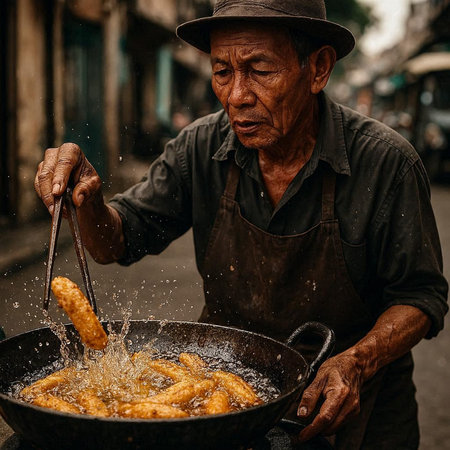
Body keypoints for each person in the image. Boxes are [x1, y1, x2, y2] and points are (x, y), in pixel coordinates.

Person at [35, 0, 448, 448]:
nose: (236, 96)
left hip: (354, 412)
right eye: (222, 72)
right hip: (228, 404)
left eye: (259, 70)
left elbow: (421, 298)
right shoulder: (199, 147)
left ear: (318, 69)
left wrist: (356, 362)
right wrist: (89, 200)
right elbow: (116, 240)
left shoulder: (386, 163)